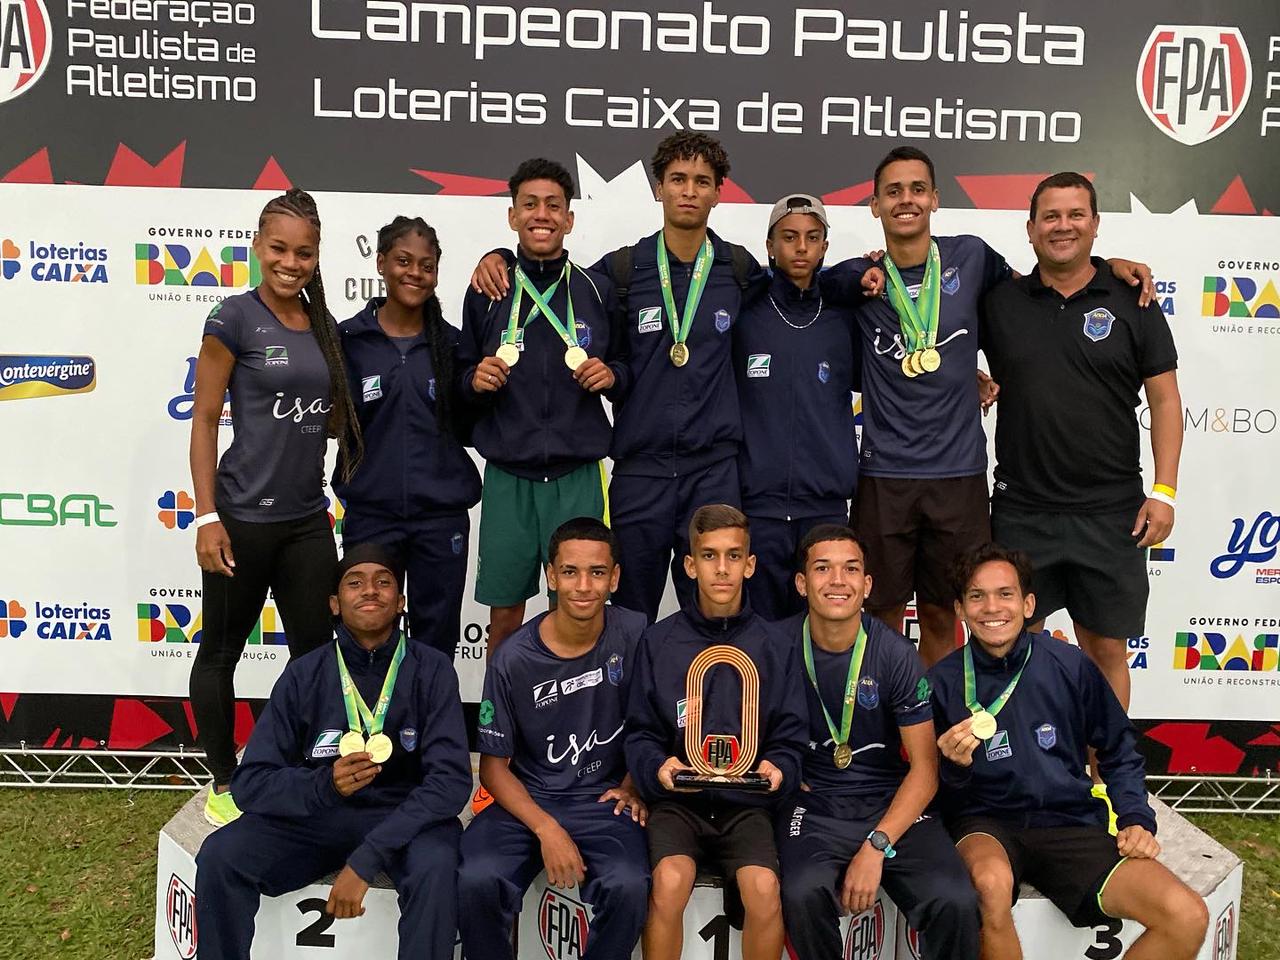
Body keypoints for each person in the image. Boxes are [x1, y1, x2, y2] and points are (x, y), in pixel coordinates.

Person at [822, 147, 1153, 667]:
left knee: (940, 616)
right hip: (884, 476)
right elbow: (809, 285)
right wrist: (845, 279)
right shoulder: (858, 282)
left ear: (934, 198)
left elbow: (1042, 283)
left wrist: (1107, 267)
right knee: (879, 618)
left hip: (959, 479)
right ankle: (884, 737)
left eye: (916, 189)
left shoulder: (971, 258)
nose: (905, 199)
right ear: (874, 205)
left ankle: (931, 734)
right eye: (893, 191)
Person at [928, 543, 1208, 960]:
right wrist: (954, 769)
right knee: (988, 885)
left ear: (1028, 603)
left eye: (1005, 594)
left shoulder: (1069, 664)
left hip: (1069, 822)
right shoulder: (942, 682)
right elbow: (933, 796)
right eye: (976, 596)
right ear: (960, 609)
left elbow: (1118, 747)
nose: (992, 607)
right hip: (986, 825)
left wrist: (1134, 817)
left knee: (1187, 915)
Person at [194, 543, 471, 960]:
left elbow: (450, 782)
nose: (370, 591)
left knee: (438, 865)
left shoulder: (431, 669)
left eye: (384, 582)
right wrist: (324, 784)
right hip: (318, 815)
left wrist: (366, 860)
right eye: (354, 583)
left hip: (404, 818)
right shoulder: (305, 673)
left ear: (400, 603)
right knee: (220, 856)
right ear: (334, 604)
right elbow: (250, 783)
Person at [188, 188, 363, 826]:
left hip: (305, 522)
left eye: (305, 252)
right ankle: (224, 780)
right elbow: (205, 418)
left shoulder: (324, 328)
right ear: (258, 247)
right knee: (221, 652)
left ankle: (304, 770)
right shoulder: (233, 317)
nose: (292, 262)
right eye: (280, 249)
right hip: (240, 520)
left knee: (318, 655)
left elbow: (337, 415)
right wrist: (206, 516)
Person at [981, 172, 1182, 721]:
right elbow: (938, 332)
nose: (1062, 226)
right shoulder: (999, 301)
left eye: (1075, 215)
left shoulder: (1132, 297)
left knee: (1107, 651)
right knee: (1014, 651)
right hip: (1023, 510)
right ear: (1029, 229)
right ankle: (1025, 779)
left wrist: (1164, 492)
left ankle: (1107, 785)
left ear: (1095, 225)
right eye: (1050, 216)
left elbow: (1165, 401)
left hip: (1111, 512)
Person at [777, 524, 979, 960]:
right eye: (822, 568)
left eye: (850, 569)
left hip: (887, 802)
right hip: (813, 806)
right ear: (801, 583)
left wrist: (877, 845)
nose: (837, 580)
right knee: (800, 892)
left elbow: (925, 772)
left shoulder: (895, 655)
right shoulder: (774, 646)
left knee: (955, 899)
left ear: (866, 585)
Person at [457, 517, 650, 960]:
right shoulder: (512, 657)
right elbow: (492, 767)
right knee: (476, 877)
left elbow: (655, 728)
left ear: (615, 577)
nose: (583, 585)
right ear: (550, 575)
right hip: (531, 799)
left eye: (597, 572)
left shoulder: (636, 634)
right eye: (570, 571)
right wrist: (547, 829)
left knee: (628, 884)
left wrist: (632, 784)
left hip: (604, 801)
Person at [626, 504, 806, 960]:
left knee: (764, 889)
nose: (721, 569)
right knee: (668, 882)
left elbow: (790, 735)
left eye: (733, 556)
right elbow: (641, 732)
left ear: (750, 564)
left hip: (746, 807)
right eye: (708, 556)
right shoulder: (659, 640)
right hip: (679, 804)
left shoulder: (775, 644)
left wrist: (779, 768)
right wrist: (656, 767)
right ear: (689, 565)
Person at [457, 158, 623, 654]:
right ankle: (497, 727)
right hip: (509, 477)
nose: (541, 215)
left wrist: (612, 374)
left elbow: (626, 369)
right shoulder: (489, 288)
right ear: (512, 216)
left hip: (578, 478)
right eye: (529, 205)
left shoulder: (596, 289)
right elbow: (460, 374)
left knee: (576, 612)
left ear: (569, 219)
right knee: (504, 616)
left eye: (554, 205)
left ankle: (573, 720)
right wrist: (475, 379)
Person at [335, 216, 481, 660]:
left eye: (427, 265)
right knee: (365, 632)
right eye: (403, 261)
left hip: (440, 519)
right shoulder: (348, 341)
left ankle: (432, 727)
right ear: (381, 263)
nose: (415, 273)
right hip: (370, 516)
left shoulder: (454, 348)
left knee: (436, 639)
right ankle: (367, 729)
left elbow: (473, 424)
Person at [735, 195, 861, 621]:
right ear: (770, 246)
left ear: (826, 247)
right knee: (761, 636)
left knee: (824, 634)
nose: (801, 247)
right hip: (759, 509)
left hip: (824, 509)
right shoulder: (745, 313)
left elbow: (889, 369)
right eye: (789, 238)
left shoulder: (846, 316)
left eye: (812, 238)